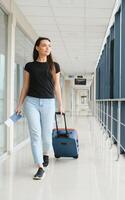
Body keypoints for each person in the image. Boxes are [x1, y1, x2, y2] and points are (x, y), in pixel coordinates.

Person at [16, 37, 63, 180]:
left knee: (47, 137)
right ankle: (40, 167)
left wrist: (60, 104)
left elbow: (57, 87)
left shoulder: (54, 66)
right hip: (31, 103)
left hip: (49, 103)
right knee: (35, 135)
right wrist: (19, 104)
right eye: (44, 45)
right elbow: (25, 86)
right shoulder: (29, 66)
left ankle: (45, 153)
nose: (47, 48)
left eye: (49, 45)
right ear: (37, 48)